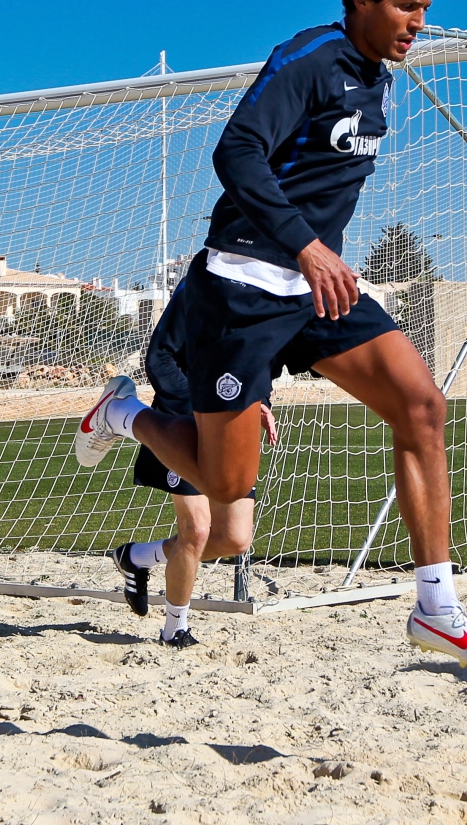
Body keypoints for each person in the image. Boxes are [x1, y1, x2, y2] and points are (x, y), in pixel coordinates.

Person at [76, 0, 467, 673]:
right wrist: (307, 246)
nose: (419, 22)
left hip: (316, 292)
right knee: (225, 489)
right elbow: (236, 150)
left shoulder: (379, 81)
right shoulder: (310, 58)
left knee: (422, 407)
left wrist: (319, 260)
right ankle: (122, 414)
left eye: (425, 8)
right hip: (243, 288)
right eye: (406, 6)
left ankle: (436, 608)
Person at [110, 263, 276, 648]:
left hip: (234, 425)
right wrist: (200, 412)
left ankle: (137, 558)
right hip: (183, 422)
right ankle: (175, 628)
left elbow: (259, 360)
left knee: (234, 538)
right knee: (197, 531)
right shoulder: (200, 284)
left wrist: (262, 402)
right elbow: (160, 358)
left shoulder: (270, 290)